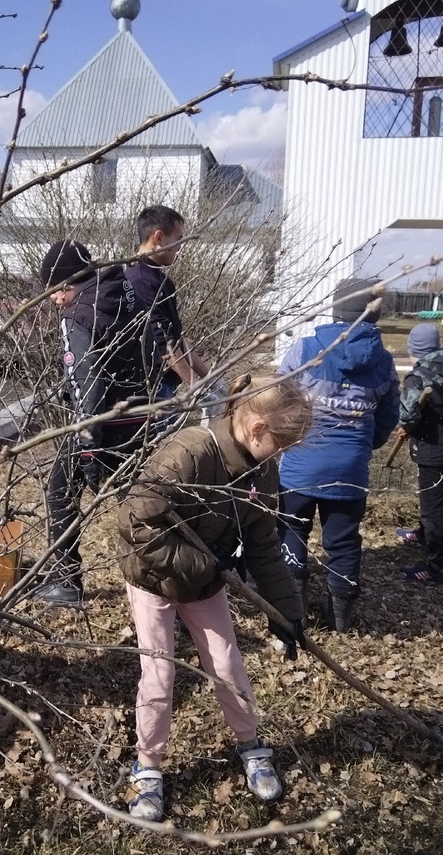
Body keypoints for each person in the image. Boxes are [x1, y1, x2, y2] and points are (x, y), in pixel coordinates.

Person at [115, 372, 311, 821]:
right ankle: (147, 767)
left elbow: (264, 542)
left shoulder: (262, 469)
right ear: (258, 428)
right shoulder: (189, 452)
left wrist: (286, 611)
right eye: (281, 444)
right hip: (152, 578)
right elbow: (134, 524)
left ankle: (251, 744)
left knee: (226, 664)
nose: (281, 455)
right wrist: (206, 566)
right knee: (160, 674)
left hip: (205, 581)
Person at [275, 287, 399, 633]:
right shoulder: (384, 360)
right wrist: (363, 445)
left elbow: (278, 396)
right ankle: (341, 617)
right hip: (350, 469)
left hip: (301, 464)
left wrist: (286, 440)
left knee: (292, 529)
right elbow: (390, 414)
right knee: (343, 541)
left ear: (335, 309)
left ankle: (292, 607)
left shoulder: (307, 348)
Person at [34, 239, 149, 608]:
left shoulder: (77, 317)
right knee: (138, 507)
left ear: (68, 284)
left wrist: (88, 446)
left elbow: (88, 383)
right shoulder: (124, 291)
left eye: (54, 291)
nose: (53, 300)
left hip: (101, 424)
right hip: (138, 415)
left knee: (60, 493)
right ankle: (158, 586)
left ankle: (67, 581)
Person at [122, 204, 228, 420]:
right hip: (153, 390)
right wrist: (193, 387)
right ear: (159, 237)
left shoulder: (159, 280)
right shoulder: (140, 281)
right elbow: (163, 343)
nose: (180, 247)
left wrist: (209, 378)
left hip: (166, 386)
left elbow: (176, 337)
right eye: (178, 239)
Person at [395, 323, 443, 583]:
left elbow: (408, 415)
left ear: (412, 348)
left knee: (432, 507)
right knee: (434, 499)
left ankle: (435, 567)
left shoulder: (417, 377)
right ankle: (423, 534)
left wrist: (405, 424)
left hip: (433, 450)